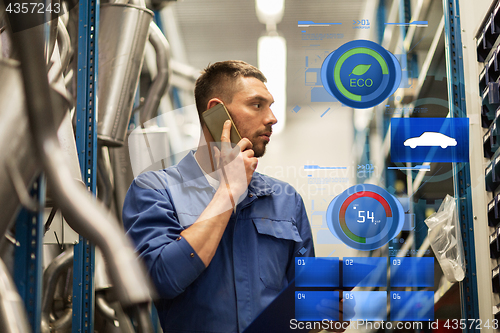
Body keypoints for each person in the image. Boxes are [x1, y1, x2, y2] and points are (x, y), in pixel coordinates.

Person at [122, 60, 315, 333]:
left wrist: (325, 316)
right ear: (217, 113)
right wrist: (228, 193)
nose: (272, 117)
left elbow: (306, 303)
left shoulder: (285, 199)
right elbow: (161, 279)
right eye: (257, 105)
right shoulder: (154, 190)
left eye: (271, 106)